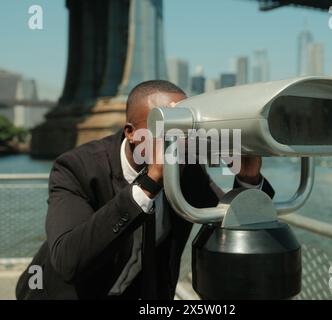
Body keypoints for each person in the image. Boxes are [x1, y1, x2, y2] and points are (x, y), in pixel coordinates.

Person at [16, 80, 274, 300]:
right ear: (131, 132)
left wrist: (247, 178)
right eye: (165, 127)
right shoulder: (77, 169)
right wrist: (150, 182)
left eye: (185, 128)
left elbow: (227, 217)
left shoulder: (185, 168)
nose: (178, 140)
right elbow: (67, 260)